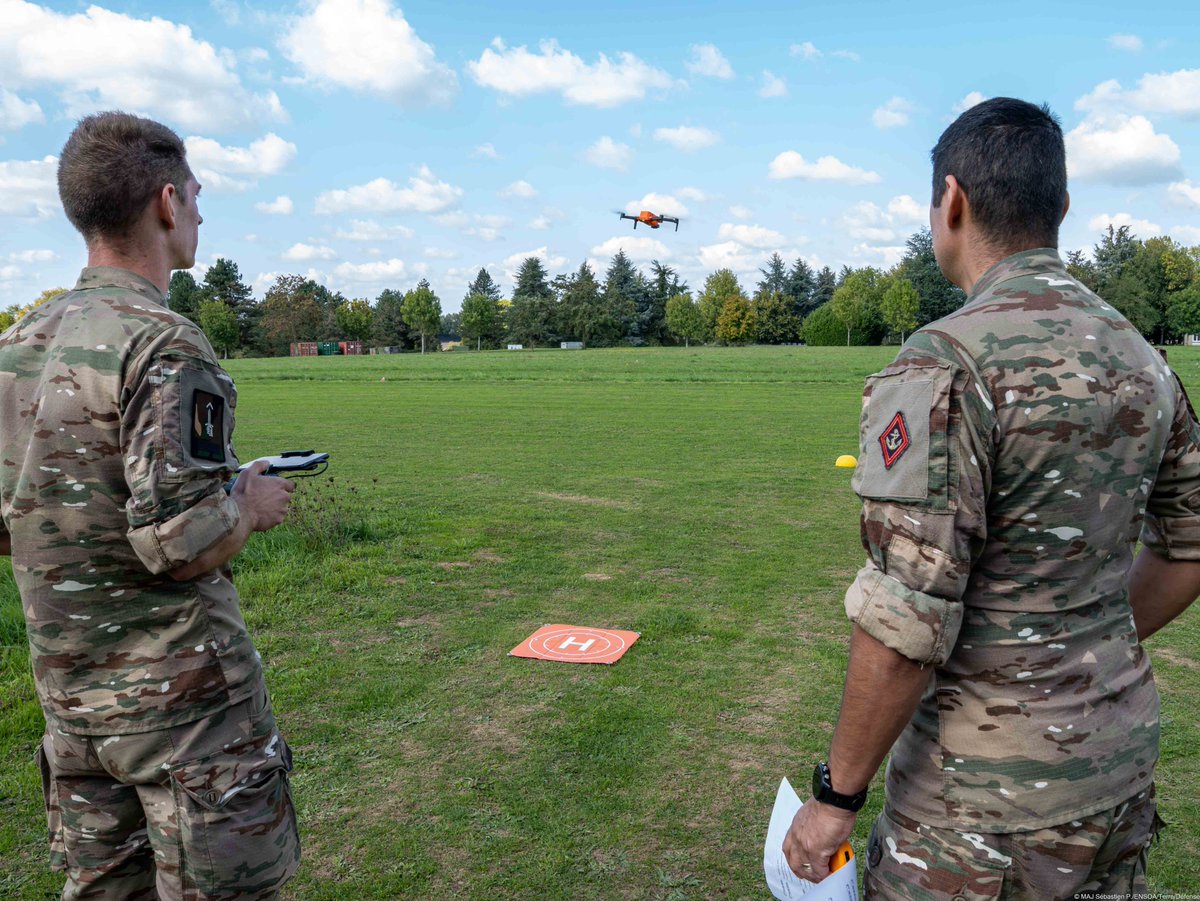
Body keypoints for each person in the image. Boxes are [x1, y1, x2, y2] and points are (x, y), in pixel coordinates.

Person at [782, 97, 1200, 898]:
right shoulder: (1142, 356)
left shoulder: (938, 365)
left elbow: (906, 615)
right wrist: (1079, 641)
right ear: (1063, 207)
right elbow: (1190, 541)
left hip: (978, 804)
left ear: (952, 202)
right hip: (1114, 768)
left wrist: (836, 797)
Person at [0, 111, 300, 899]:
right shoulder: (163, 341)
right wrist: (250, 502)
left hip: (72, 708)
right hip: (187, 713)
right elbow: (180, 542)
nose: (200, 213)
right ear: (167, 203)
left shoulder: (18, 346)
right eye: (196, 197)